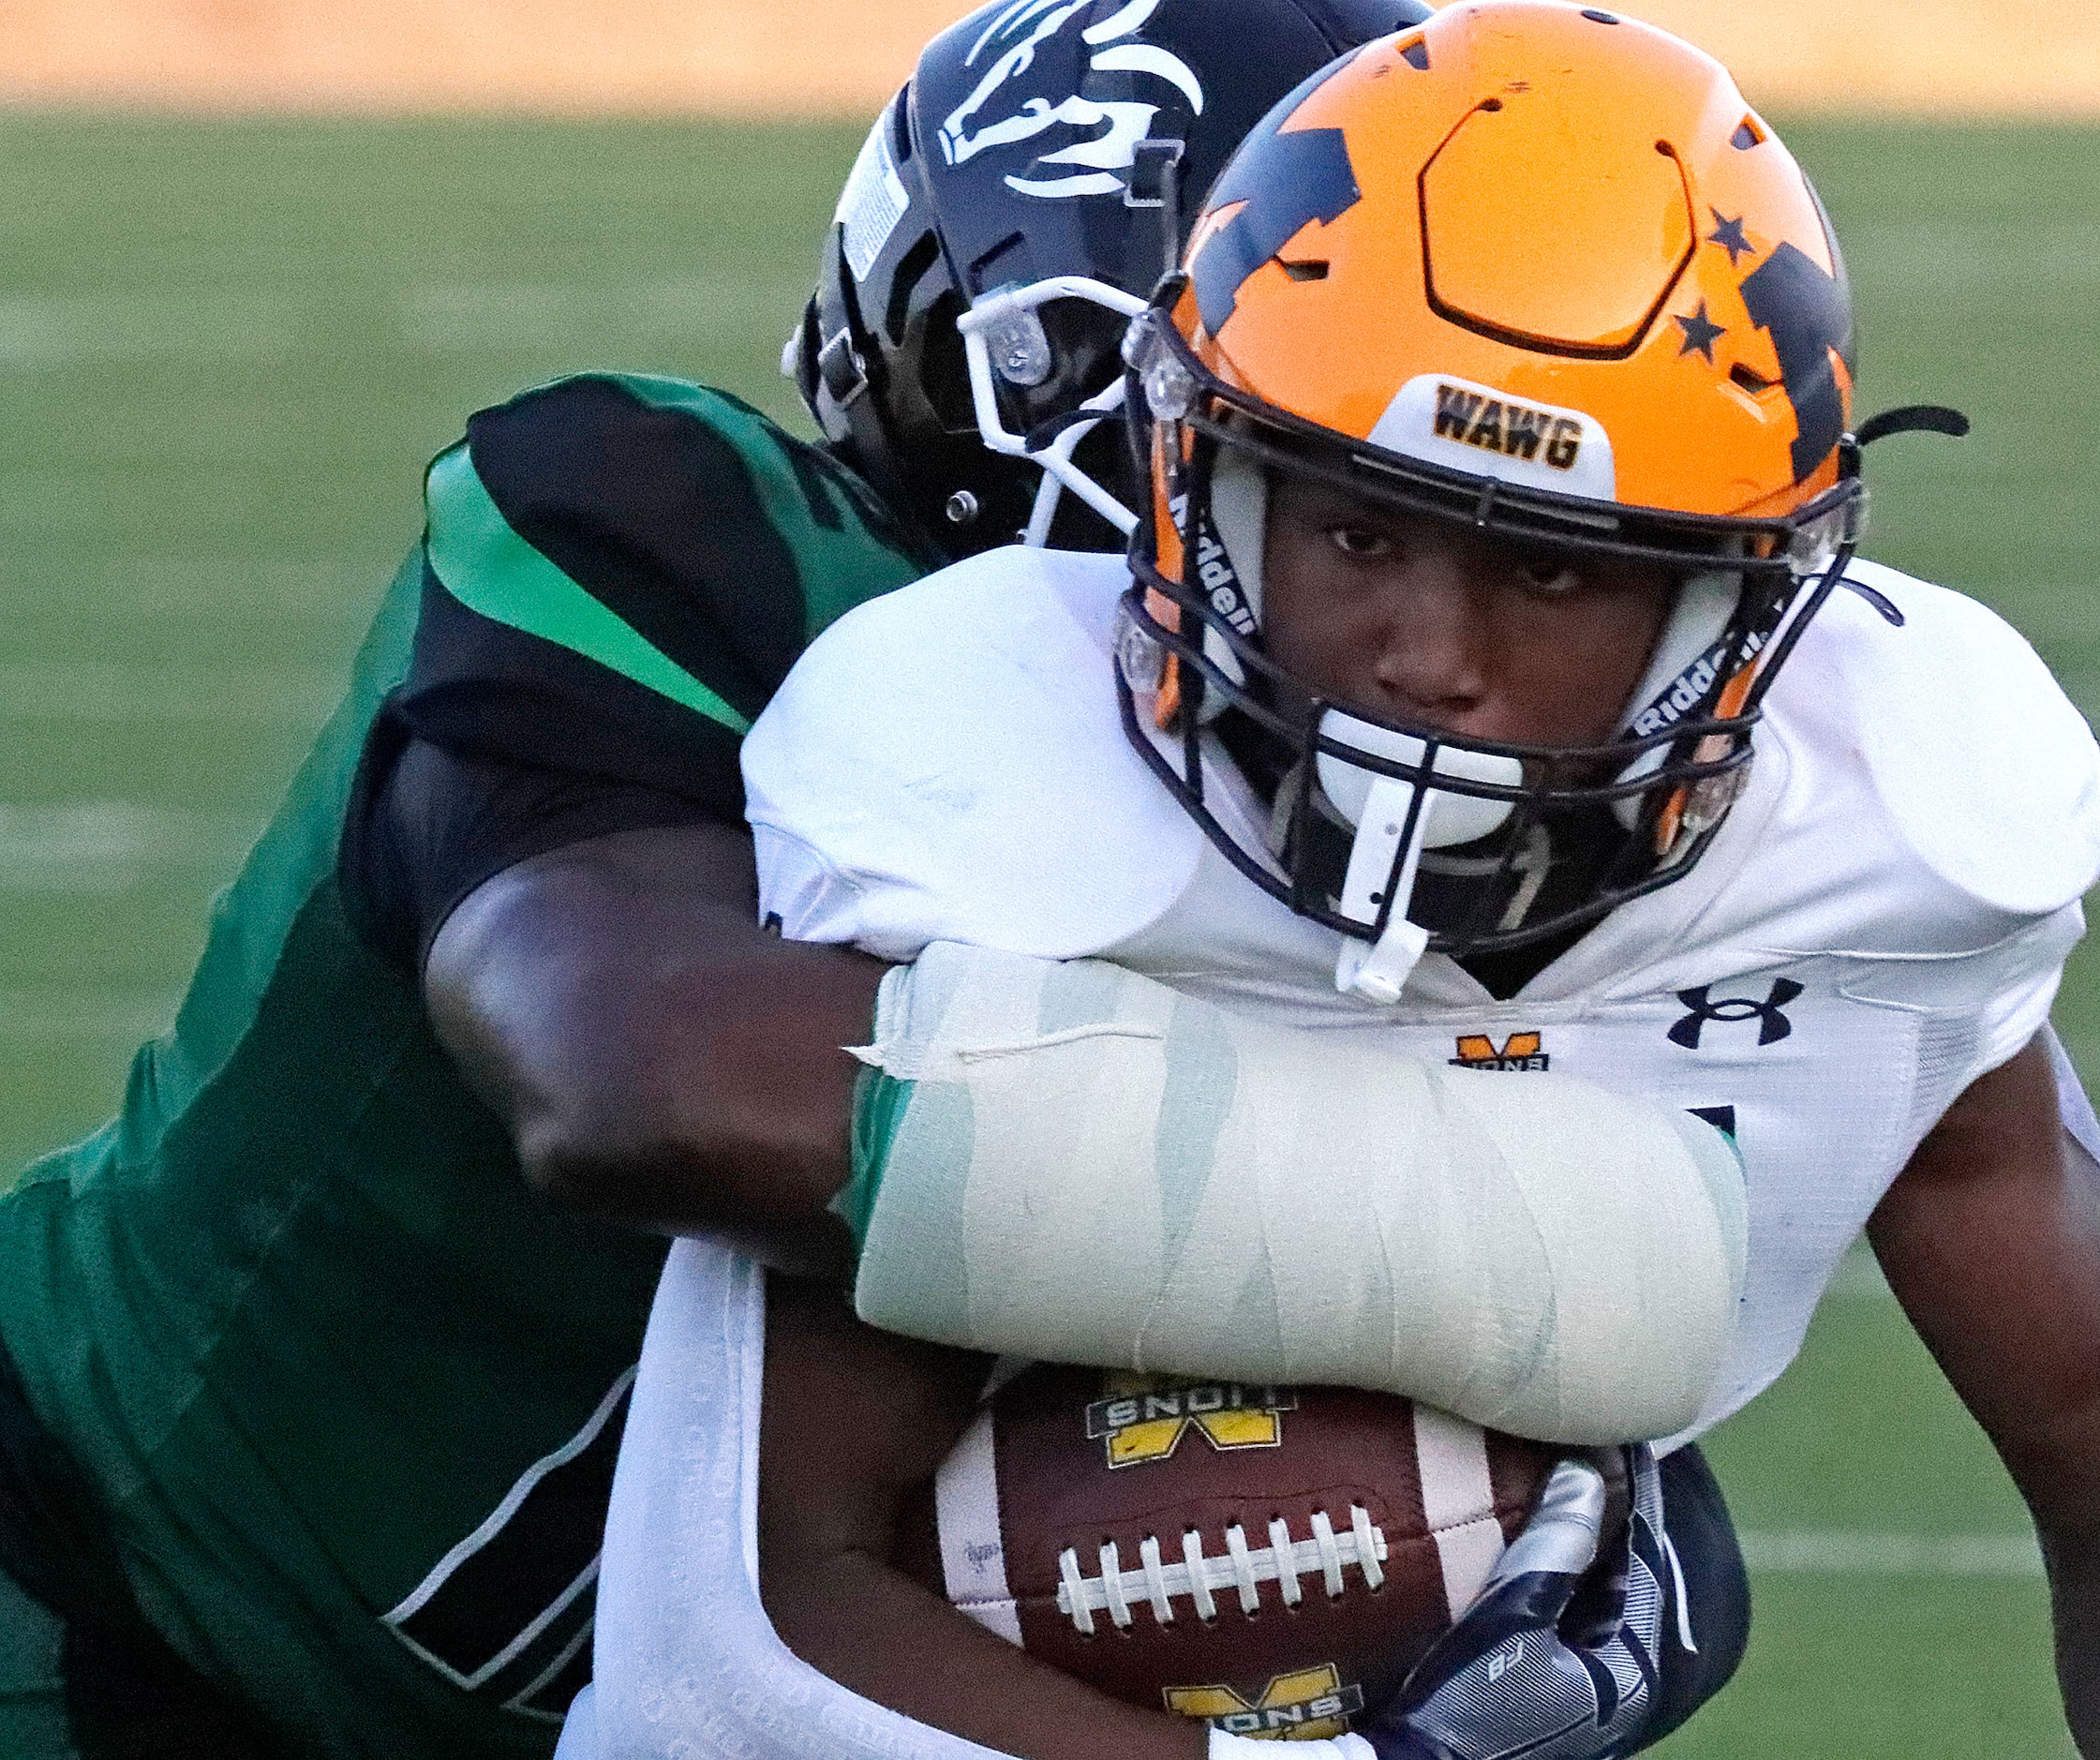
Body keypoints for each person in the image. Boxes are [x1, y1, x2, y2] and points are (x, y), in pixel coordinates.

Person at [571, 7, 2100, 1760]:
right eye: (1352, 529)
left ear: (1737, 607)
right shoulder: (996, 794)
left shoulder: (1895, 834)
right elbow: (734, 1641)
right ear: (1191, 481)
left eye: (1550, 573)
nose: (1427, 656)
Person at [0, 5, 1472, 1756]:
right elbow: (650, 1077)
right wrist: (1539, 1229)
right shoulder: (671, 524)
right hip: (103, 1592)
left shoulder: (1438, 774)